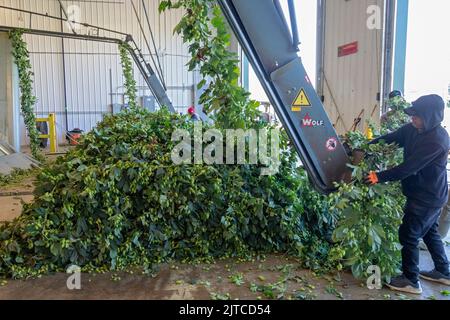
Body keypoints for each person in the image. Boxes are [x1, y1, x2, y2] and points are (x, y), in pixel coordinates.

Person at [365, 94, 450, 294]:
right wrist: (367, 146)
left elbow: (408, 168)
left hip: (427, 197)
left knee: (409, 234)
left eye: (417, 116)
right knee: (430, 233)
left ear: (430, 117)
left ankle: (411, 280)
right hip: (423, 193)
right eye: (412, 115)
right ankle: (444, 272)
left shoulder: (437, 140)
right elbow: (392, 137)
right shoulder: (414, 129)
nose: (412, 119)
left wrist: (378, 176)